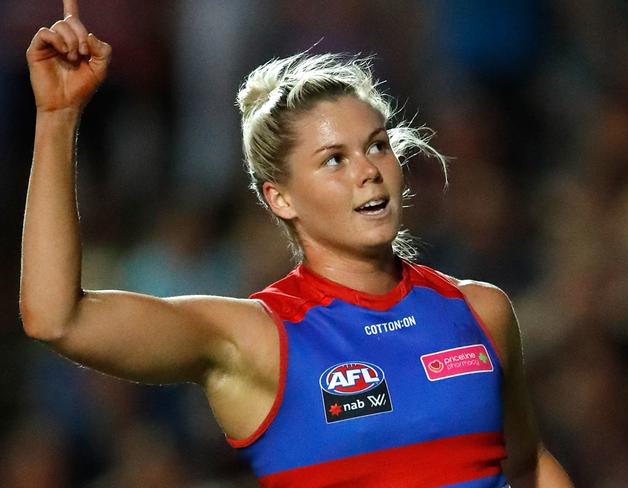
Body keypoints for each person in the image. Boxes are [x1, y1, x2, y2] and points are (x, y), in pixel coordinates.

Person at [20, 1, 573, 487]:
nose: (368, 172)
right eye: (334, 159)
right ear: (280, 198)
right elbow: (55, 317)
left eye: (377, 147)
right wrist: (58, 117)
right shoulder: (256, 339)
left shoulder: (481, 310)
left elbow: (527, 467)